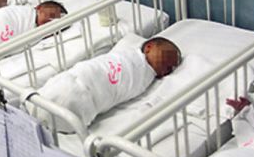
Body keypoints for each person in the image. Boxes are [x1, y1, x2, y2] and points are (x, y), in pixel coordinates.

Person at [34, 35, 181, 133]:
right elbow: (102, 64)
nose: (169, 66)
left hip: (93, 96)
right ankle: (39, 110)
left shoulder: (145, 78)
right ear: (148, 47)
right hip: (83, 75)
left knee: (67, 106)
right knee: (60, 90)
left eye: (171, 68)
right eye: (168, 57)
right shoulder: (130, 56)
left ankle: (44, 117)